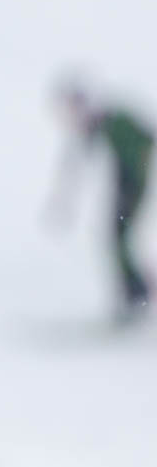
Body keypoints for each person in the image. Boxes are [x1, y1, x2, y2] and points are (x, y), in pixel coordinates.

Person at [51, 83, 153, 318]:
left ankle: (138, 294)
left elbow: (147, 141)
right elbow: (73, 161)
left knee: (119, 234)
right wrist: (63, 201)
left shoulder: (117, 120)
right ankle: (135, 293)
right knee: (117, 235)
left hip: (133, 183)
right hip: (126, 182)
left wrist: (137, 171)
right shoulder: (99, 124)